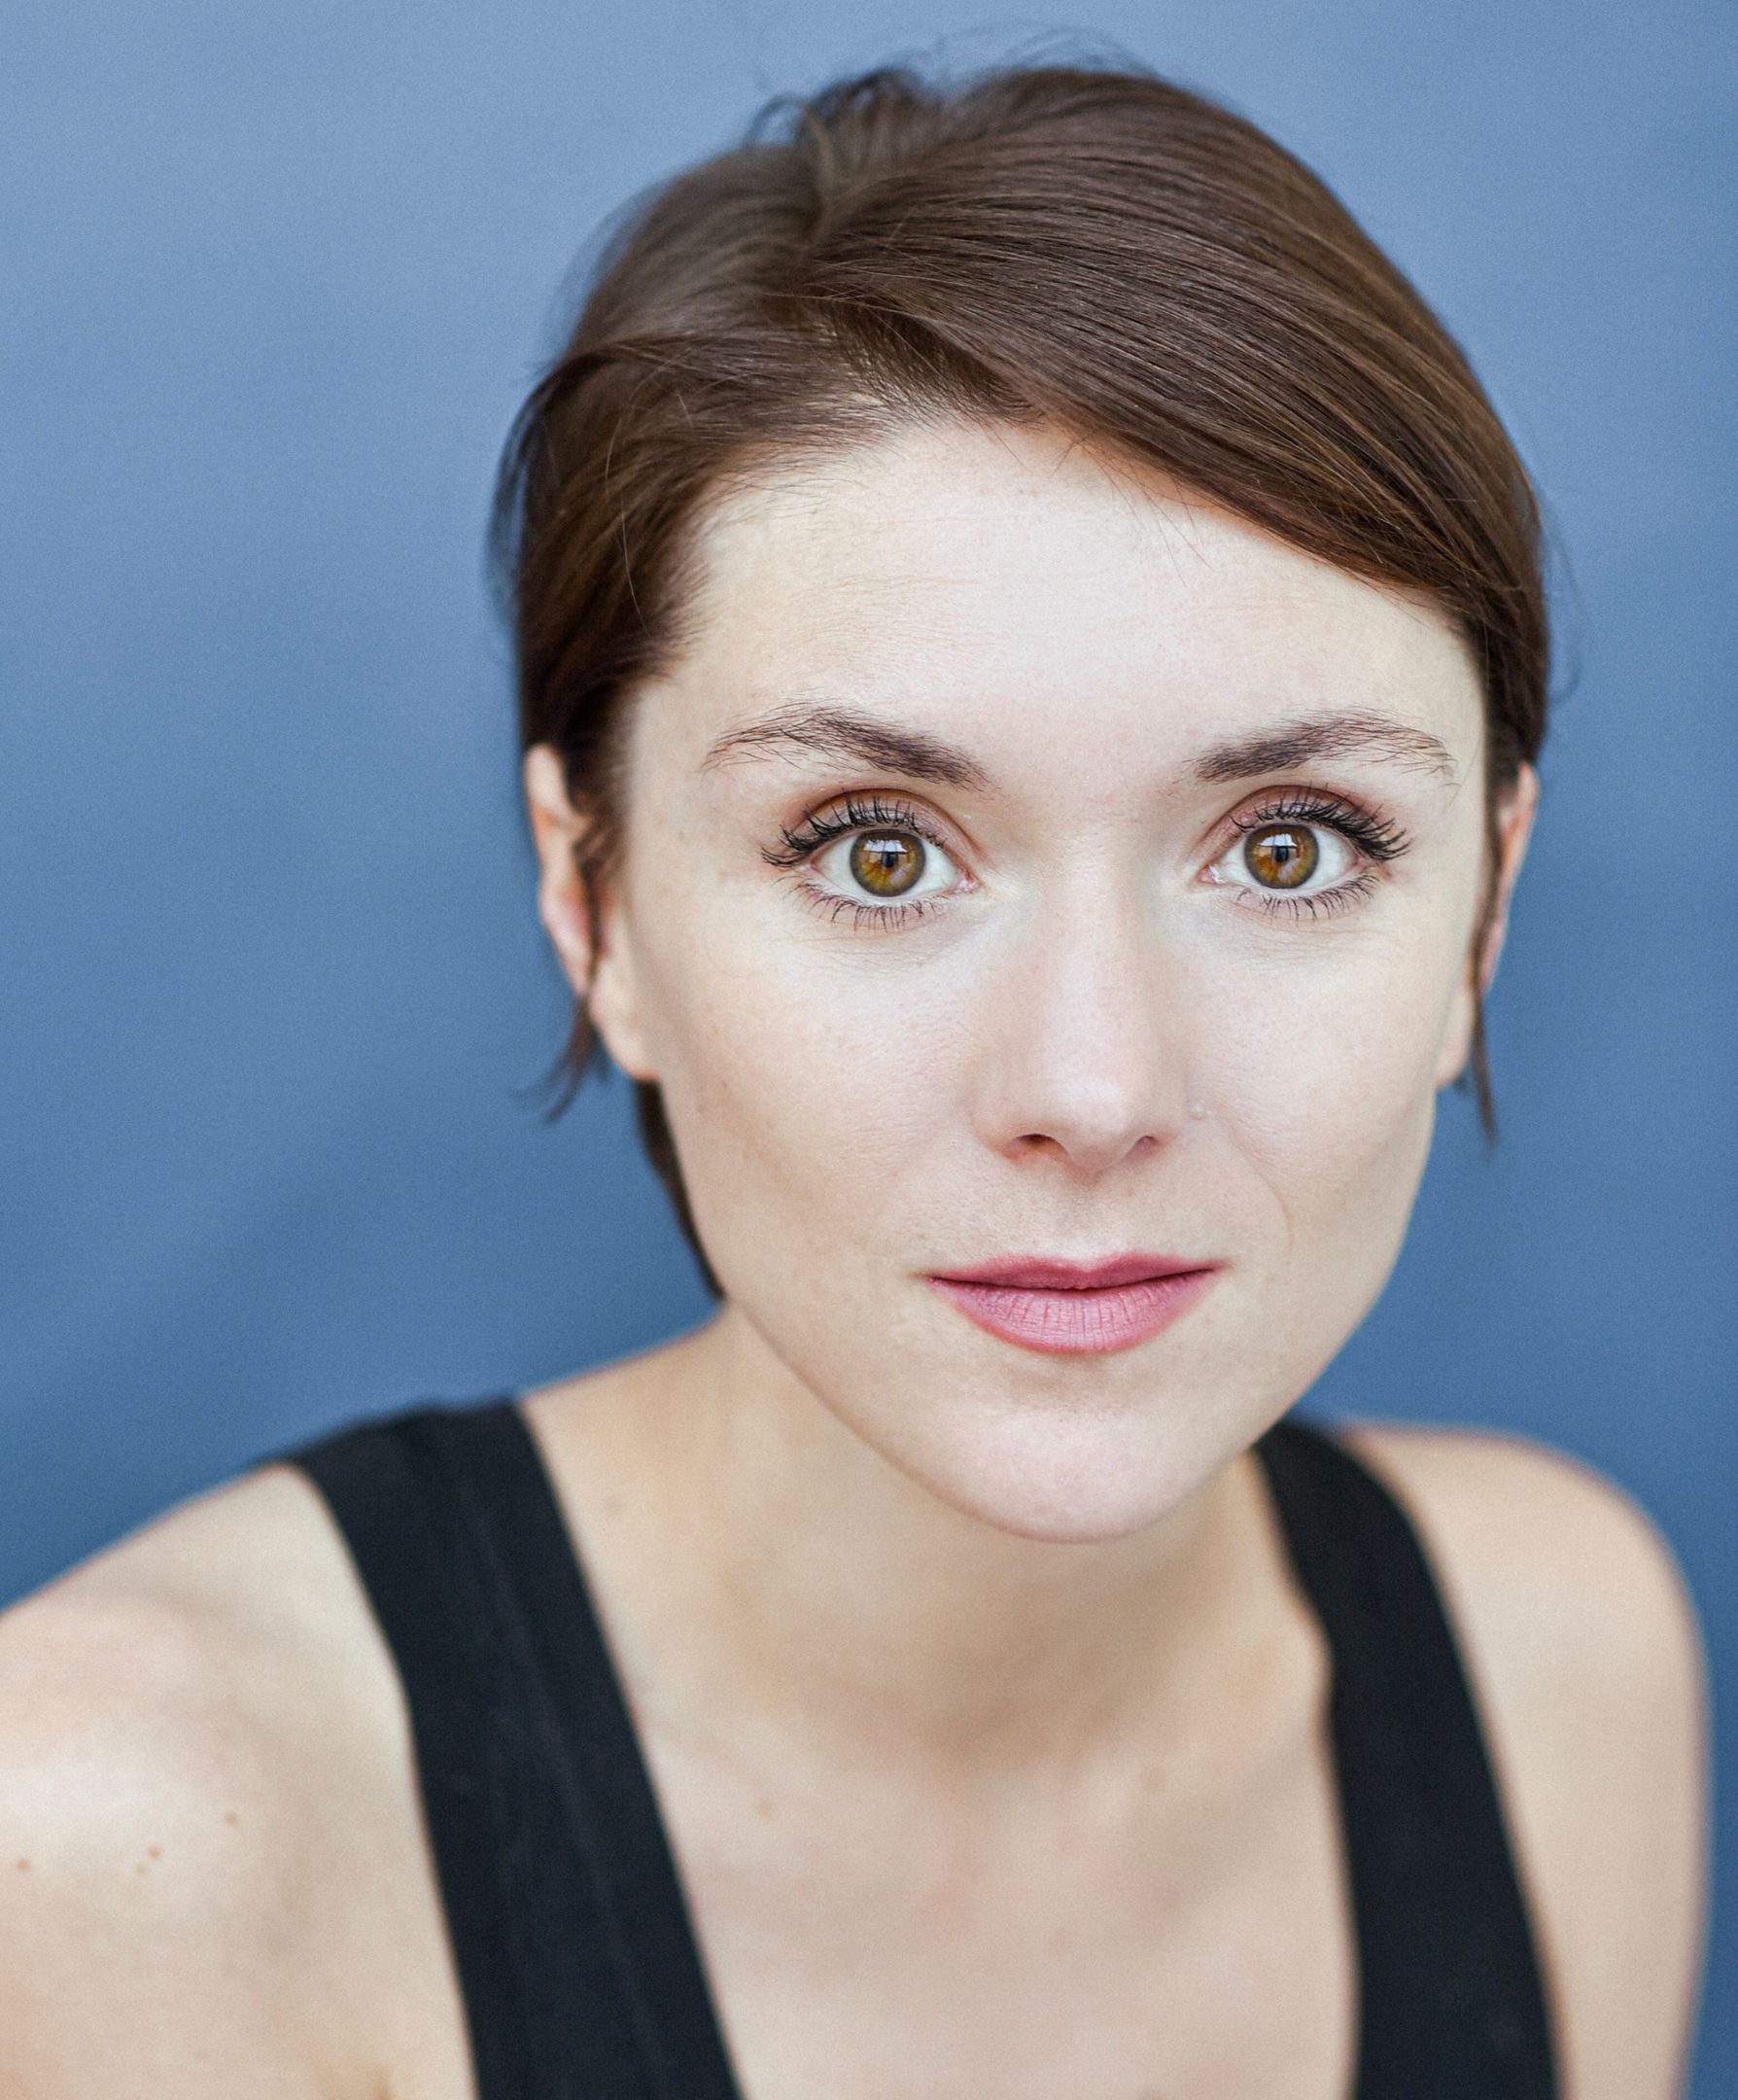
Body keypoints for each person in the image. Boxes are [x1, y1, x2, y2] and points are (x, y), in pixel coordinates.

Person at [0, 57, 1708, 2100]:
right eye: (878, 852)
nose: (1094, 1088)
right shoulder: (120, 1846)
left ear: (1484, 915)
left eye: (1286, 850)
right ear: (595, 903)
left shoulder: (1558, 1663)